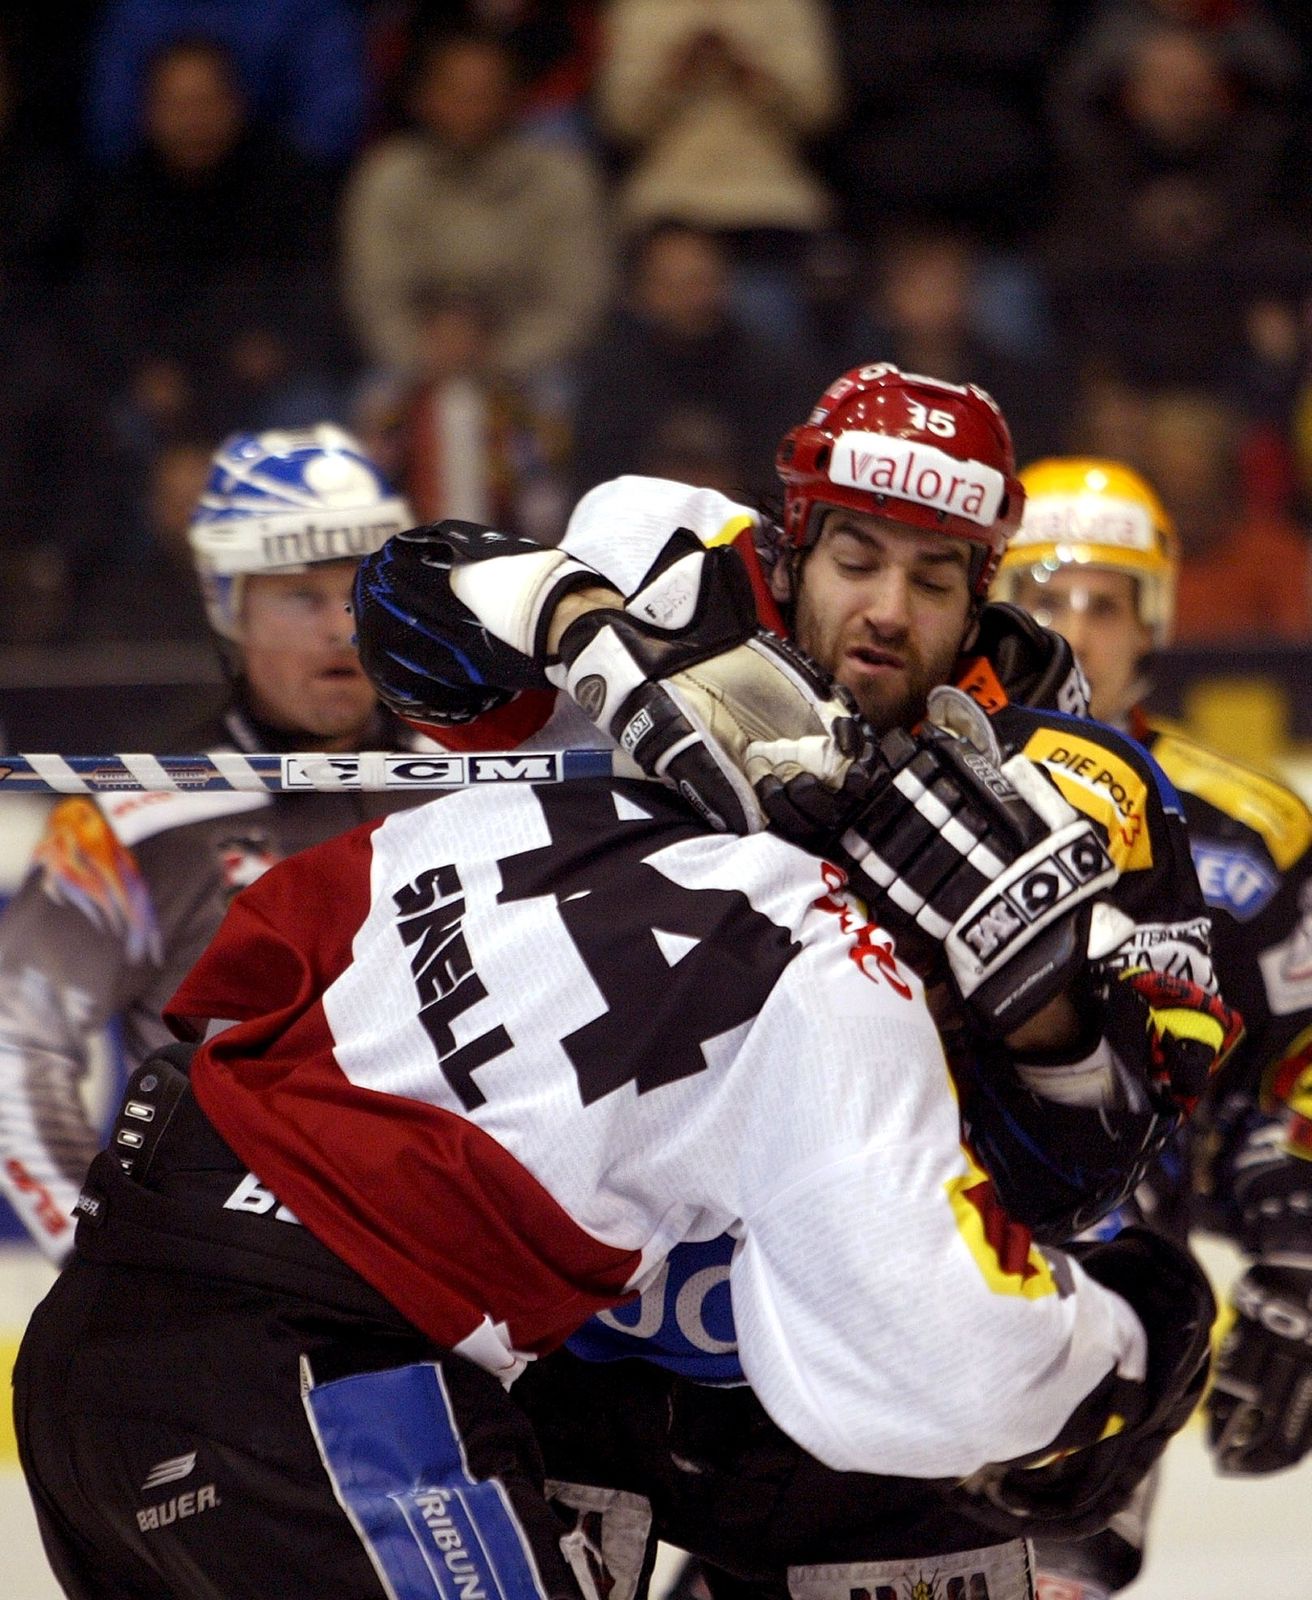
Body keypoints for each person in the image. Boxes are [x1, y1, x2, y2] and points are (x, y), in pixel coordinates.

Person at [340, 364, 1240, 1598]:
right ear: (794, 537)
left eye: (934, 579)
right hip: (571, 1348)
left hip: (853, 1368)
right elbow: (397, 613)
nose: (888, 609)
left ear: (983, 588)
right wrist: (593, 639)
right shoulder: (663, 566)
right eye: (857, 559)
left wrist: (1042, 1014)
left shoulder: (1068, 777)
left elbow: (1087, 1175)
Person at [994, 455, 1312, 1595]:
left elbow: (1294, 1077)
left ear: (1153, 620)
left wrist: (1297, 1258)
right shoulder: (885, 768)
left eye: (1100, 600)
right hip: (882, 1270)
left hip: (1105, 1319)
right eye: (1040, 596)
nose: (1070, 630)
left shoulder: (1252, 831)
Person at [0, 423, 420, 1261]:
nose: (340, 628)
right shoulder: (130, 819)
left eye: (359, 592)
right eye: (299, 596)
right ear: (228, 606)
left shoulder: (485, 783)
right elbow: (16, 1049)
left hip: (460, 1277)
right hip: (232, 1297)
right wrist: (105, 1262)